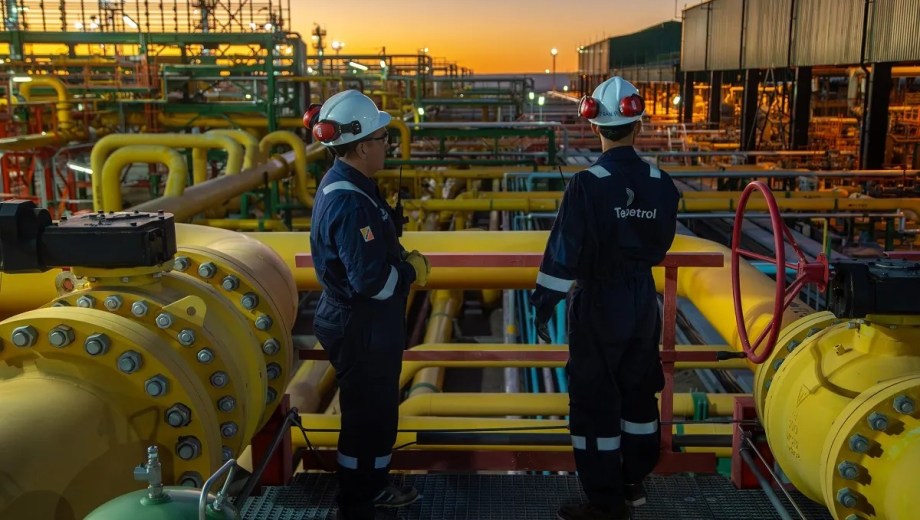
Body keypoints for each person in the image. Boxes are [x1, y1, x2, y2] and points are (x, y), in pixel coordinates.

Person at [530, 77, 680, 520]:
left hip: (598, 301)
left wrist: (544, 304)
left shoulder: (587, 185)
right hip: (642, 301)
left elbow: (563, 252)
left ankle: (604, 501)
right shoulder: (662, 183)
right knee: (639, 391)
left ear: (595, 126)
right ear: (639, 125)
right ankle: (633, 481)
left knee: (595, 397)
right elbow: (662, 243)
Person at [305, 90, 430, 520]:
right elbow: (371, 282)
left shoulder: (351, 185)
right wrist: (410, 271)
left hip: (360, 322)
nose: (386, 145)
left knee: (372, 415)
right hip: (362, 325)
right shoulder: (350, 200)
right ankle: (359, 500)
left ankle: (370, 487)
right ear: (361, 147)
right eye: (381, 138)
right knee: (367, 419)